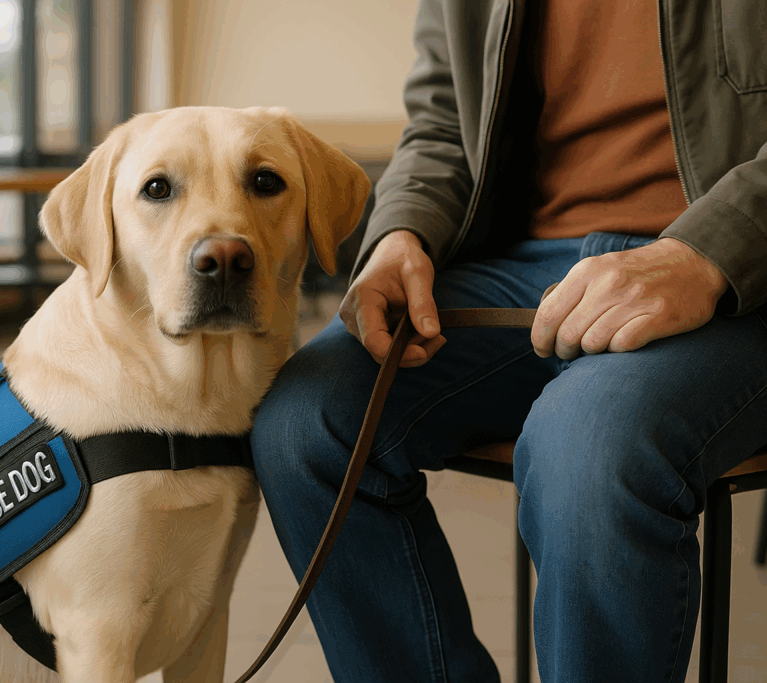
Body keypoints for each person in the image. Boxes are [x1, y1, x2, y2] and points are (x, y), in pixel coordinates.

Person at [250, 0, 767, 681]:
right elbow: (441, 125)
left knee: (588, 445)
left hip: (740, 276)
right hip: (525, 269)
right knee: (302, 423)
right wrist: (402, 232)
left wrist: (708, 251)